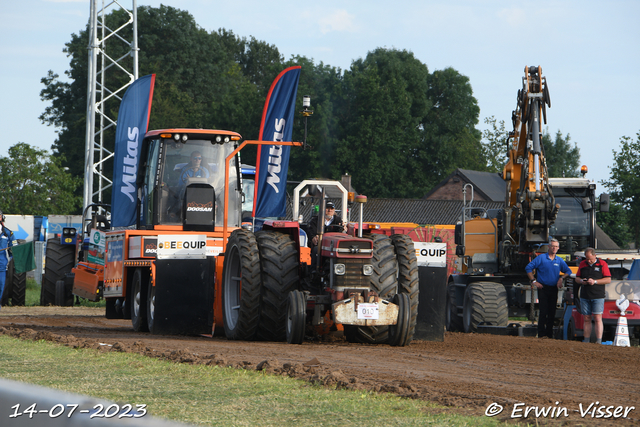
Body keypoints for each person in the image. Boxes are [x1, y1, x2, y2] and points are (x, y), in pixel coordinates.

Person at [525, 239, 572, 338]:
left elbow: (568, 271)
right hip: (543, 288)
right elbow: (528, 268)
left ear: (558, 248)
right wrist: (534, 281)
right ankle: (541, 334)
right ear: (549, 247)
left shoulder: (559, 260)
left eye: (556, 246)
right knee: (543, 311)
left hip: (554, 288)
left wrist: (561, 278)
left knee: (552, 312)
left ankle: (549, 335)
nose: (554, 248)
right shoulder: (541, 258)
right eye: (552, 246)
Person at [575, 247, 611, 344]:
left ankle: (598, 341)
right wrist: (582, 281)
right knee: (586, 318)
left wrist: (595, 281)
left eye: (590, 258)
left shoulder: (602, 264)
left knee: (597, 318)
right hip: (585, 295)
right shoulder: (582, 264)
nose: (589, 261)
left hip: (598, 295)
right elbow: (577, 278)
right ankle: (586, 340)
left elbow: (608, 279)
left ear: (595, 256)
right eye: (587, 258)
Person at [0, 210, 16, 310]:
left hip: (1, 266)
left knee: (1, 286)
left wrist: (8, 260)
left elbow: (13, 250)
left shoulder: (8, 233)